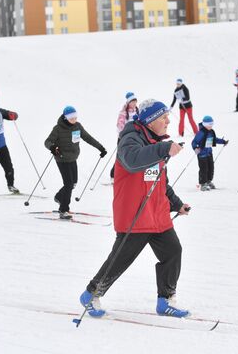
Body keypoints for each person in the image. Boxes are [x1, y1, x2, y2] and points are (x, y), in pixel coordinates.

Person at [80, 99, 191, 318]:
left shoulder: (155, 141)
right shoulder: (130, 139)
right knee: (121, 259)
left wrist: (177, 204)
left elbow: (160, 181)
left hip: (156, 214)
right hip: (135, 215)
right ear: (150, 121)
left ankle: (165, 301)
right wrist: (163, 148)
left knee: (172, 252)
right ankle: (91, 294)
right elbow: (132, 161)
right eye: (163, 118)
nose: (168, 121)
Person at [44, 106, 107, 219]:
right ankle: (63, 210)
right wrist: (52, 147)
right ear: (65, 117)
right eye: (71, 118)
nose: (74, 120)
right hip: (62, 159)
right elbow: (47, 141)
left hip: (73, 158)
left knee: (73, 183)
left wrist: (100, 148)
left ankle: (59, 197)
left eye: (75, 117)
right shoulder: (58, 129)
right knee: (68, 184)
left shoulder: (77, 126)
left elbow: (88, 138)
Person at [191, 116, 228, 191]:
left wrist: (223, 141)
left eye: (212, 124)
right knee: (204, 169)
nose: (210, 126)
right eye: (209, 124)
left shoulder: (211, 132)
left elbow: (215, 139)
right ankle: (203, 184)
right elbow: (194, 142)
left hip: (209, 153)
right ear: (204, 124)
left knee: (211, 168)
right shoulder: (201, 133)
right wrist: (195, 148)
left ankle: (208, 181)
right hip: (202, 154)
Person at [109, 92, 140, 182]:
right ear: (128, 103)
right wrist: (124, 134)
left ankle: (129, 174)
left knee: (132, 156)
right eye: (132, 102)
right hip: (123, 138)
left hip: (135, 138)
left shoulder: (137, 111)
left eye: (135, 101)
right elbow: (120, 125)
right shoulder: (123, 112)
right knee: (120, 156)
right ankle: (113, 175)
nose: (134, 104)